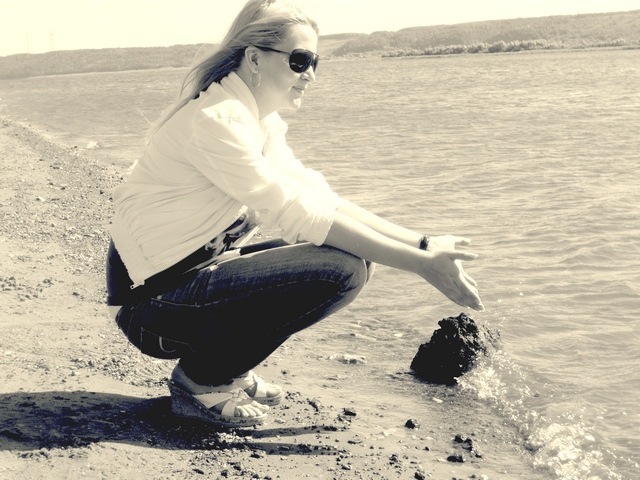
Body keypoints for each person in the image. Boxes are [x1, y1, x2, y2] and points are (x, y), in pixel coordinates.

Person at [106, 0, 484, 428]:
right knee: (340, 270)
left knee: (358, 259)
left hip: (182, 281)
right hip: (150, 308)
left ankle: (225, 366)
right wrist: (420, 266)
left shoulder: (257, 121)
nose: (310, 75)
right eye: (299, 60)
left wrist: (423, 244)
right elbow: (298, 212)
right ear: (254, 59)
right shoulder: (217, 120)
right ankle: (201, 380)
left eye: (315, 62)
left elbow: (320, 199)